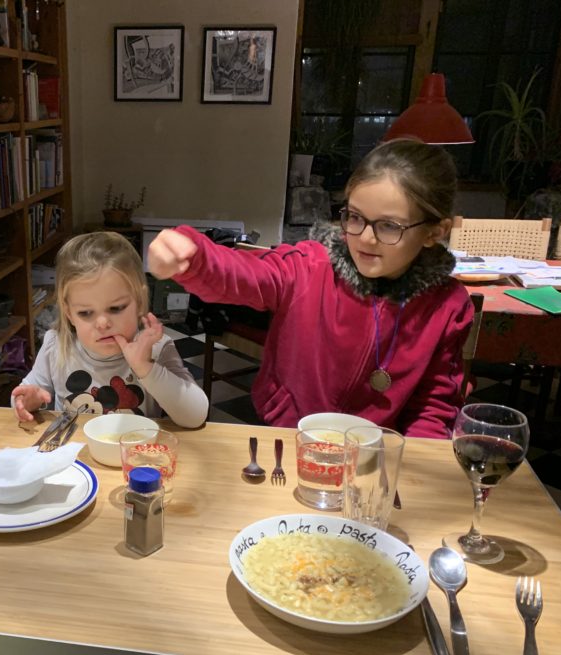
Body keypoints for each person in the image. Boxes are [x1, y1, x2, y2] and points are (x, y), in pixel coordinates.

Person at [147, 138, 474, 439]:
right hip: (291, 433)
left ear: (434, 232)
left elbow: (434, 405)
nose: (365, 237)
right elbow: (246, 273)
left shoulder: (447, 306)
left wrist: (416, 462)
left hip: (377, 451)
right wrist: (194, 256)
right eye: (355, 217)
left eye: (389, 226)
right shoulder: (310, 266)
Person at [12, 232, 208, 428]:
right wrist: (28, 400)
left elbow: (195, 416)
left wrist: (145, 367)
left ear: (140, 301)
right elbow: (22, 397)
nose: (102, 323)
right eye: (85, 313)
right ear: (68, 312)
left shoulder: (156, 348)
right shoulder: (56, 345)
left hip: (136, 446)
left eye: (116, 308)